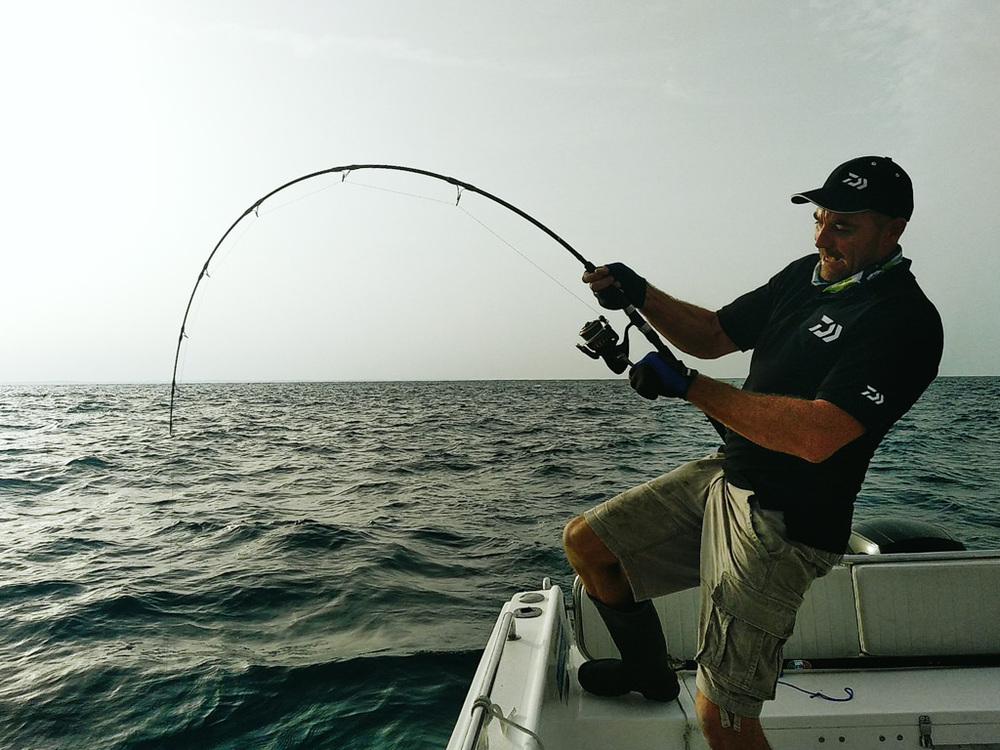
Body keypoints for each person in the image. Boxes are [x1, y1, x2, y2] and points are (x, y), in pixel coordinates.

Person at [563, 156, 943, 750]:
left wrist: (688, 387)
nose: (823, 237)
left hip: (785, 520)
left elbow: (820, 434)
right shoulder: (804, 276)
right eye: (818, 220)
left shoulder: (905, 320)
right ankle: (646, 670)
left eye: (842, 225)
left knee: (723, 716)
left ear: (892, 230)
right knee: (587, 544)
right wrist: (641, 294)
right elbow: (714, 334)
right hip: (730, 472)